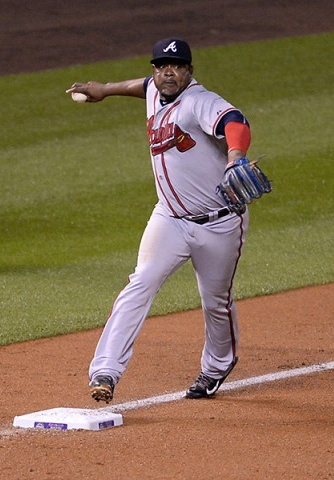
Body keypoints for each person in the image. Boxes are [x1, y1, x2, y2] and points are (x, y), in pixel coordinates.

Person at [67, 38, 251, 403]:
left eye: (178, 66)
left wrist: (235, 156)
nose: (169, 72)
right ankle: (105, 371)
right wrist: (104, 89)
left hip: (218, 223)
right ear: (155, 69)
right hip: (169, 217)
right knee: (141, 282)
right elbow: (143, 87)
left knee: (216, 302)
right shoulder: (155, 88)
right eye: (162, 65)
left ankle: (216, 367)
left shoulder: (200, 101)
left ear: (190, 71)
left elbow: (235, 121)